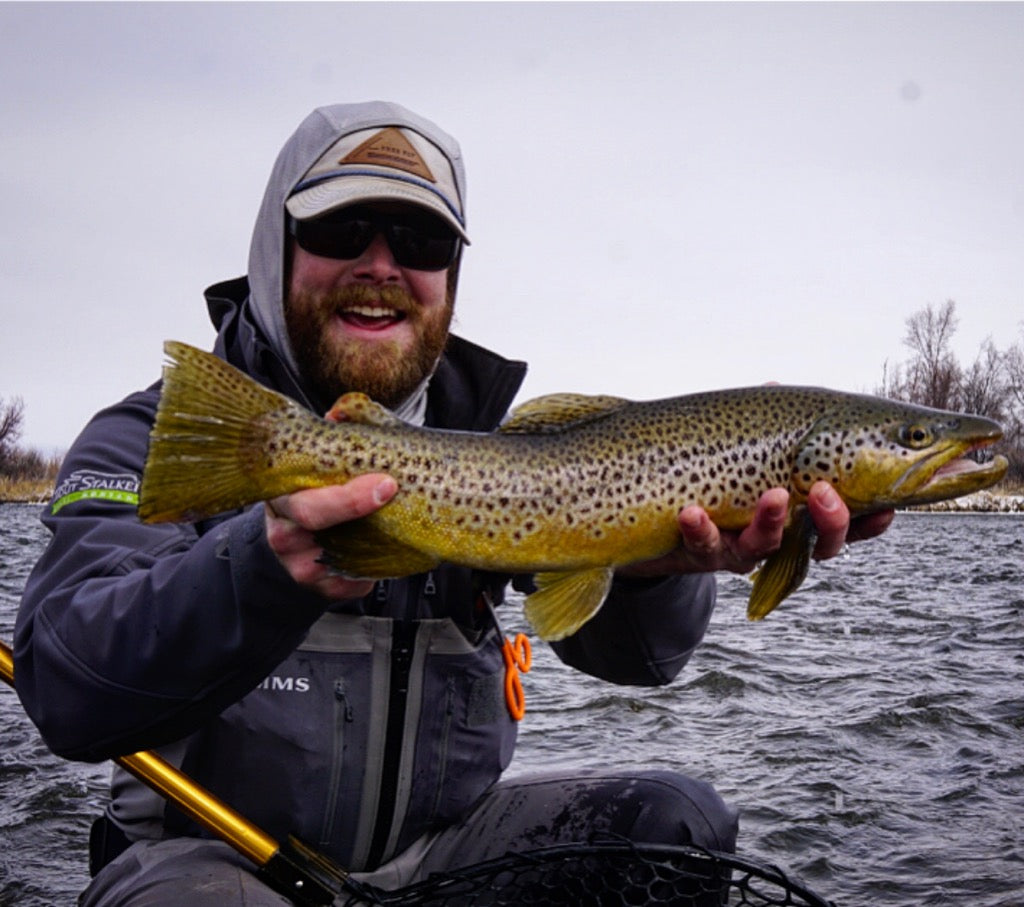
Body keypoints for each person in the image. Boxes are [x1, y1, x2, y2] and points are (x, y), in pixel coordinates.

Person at [14, 101, 893, 905]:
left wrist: (646, 567)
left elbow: (642, 661)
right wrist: (262, 564)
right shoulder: (167, 435)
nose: (381, 265)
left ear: (454, 275)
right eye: (343, 227)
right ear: (275, 247)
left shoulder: (497, 443)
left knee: (678, 827)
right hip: (211, 864)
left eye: (421, 243)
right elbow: (65, 686)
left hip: (445, 864)